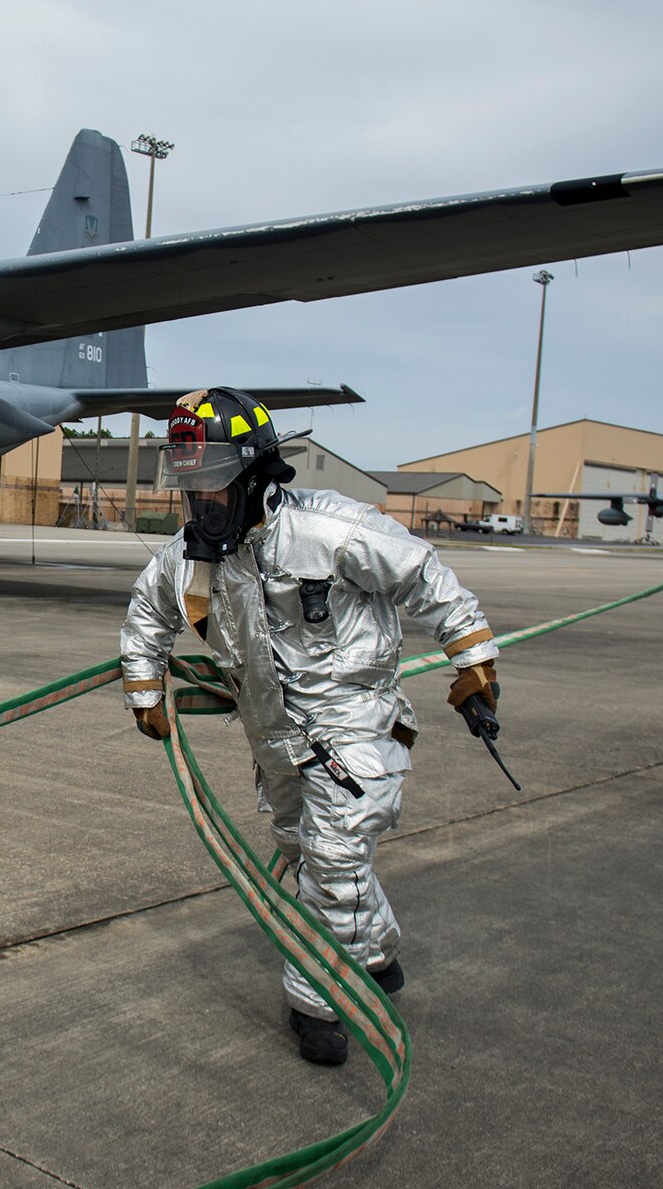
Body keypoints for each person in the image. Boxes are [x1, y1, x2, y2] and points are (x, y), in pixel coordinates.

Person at [120, 389, 501, 1066]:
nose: (204, 502)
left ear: (255, 477)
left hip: (357, 731)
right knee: (314, 857)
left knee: (331, 862)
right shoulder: (194, 557)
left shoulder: (329, 532)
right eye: (193, 489)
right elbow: (148, 613)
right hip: (276, 745)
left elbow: (422, 572)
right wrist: (144, 687)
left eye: (215, 486)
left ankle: (317, 1001)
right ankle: (378, 955)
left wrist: (473, 658)